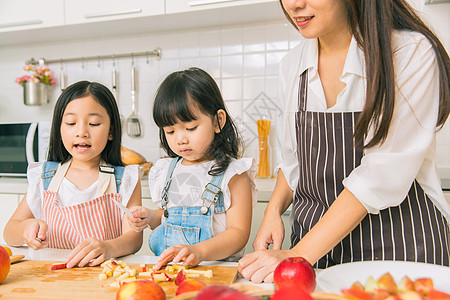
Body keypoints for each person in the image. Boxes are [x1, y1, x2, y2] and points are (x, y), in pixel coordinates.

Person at [238, 0, 450, 283]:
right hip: (319, 257)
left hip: (398, 251)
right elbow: (292, 163)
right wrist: (273, 211)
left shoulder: (409, 53)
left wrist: (298, 255)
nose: (294, 4)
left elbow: (379, 175)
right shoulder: (292, 65)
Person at [126, 67, 256, 270]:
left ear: (217, 121)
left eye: (190, 128)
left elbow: (238, 233)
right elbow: (166, 215)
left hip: (217, 272)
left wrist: (200, 251)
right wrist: (149, 217)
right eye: (170, 131)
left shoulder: (233, 173)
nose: (180, 139)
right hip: (171, 272)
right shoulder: (167, 170)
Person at [3, 81, 143, 268]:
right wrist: (25, 230)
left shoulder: (125, 178)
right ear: (59, 129)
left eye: (93, 123)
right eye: (71, 123)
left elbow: (134, 239)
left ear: (110, 131)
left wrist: (109, 248)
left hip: (103, 276)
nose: (81, 132)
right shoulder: (45, 177)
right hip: (51, 278)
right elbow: (9, 232)